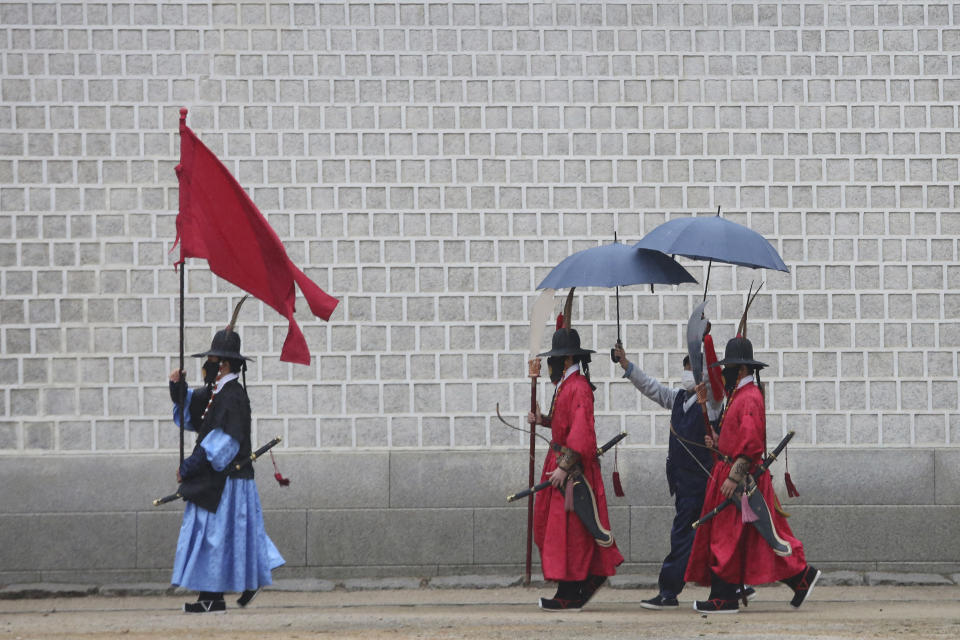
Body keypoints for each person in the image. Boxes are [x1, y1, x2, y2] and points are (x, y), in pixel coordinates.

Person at [612, 345, 756, 610]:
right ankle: (731, 583)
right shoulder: (678, 398)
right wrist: (626, 366)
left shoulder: (712, 401)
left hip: (703, 480)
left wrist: (710, 386)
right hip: (682, 481)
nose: (685, 373)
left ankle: (671, 591)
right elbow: (651, 387)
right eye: (686, 367)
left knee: (688, 534)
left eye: (690, 368)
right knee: (701, 535)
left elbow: (717, 394)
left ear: (701, 373)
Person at [685, 333, 819, 613]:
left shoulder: (748, 397)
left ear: (742, 370)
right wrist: (718, 440)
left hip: (740, 480)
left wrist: (734, 476)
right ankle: (800, 578)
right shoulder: (741, 396)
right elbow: (736, 439)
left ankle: (724, 596)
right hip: (733, 475)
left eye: (729, 368)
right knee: (755, 537)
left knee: (725, 536)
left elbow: (750, 444)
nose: (724, 372)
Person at [168, 302, 284, 613]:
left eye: (211, 361)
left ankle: (213, 597)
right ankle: (230, 589)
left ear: (223, 366)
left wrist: (191, 466)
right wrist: (177, 387)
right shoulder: (217, 392)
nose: (206, 366)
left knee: (216, 538)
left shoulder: (233, 396)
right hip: (220, 481)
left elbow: (224, 444)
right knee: (230, 538)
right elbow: (194, 410)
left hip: (227, 483)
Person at [527, 321, 624, 611]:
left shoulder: (578, 387)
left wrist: (565, 467)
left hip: (572, 472)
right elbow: (565, 424)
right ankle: (581, 582)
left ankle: (571, 590)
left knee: (570, 532)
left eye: (554, 359)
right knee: (563, 529)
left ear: (567, 360)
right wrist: (543, 419)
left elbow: (580, 434)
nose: (550, 365)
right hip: (561, 465)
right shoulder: (567, 386)